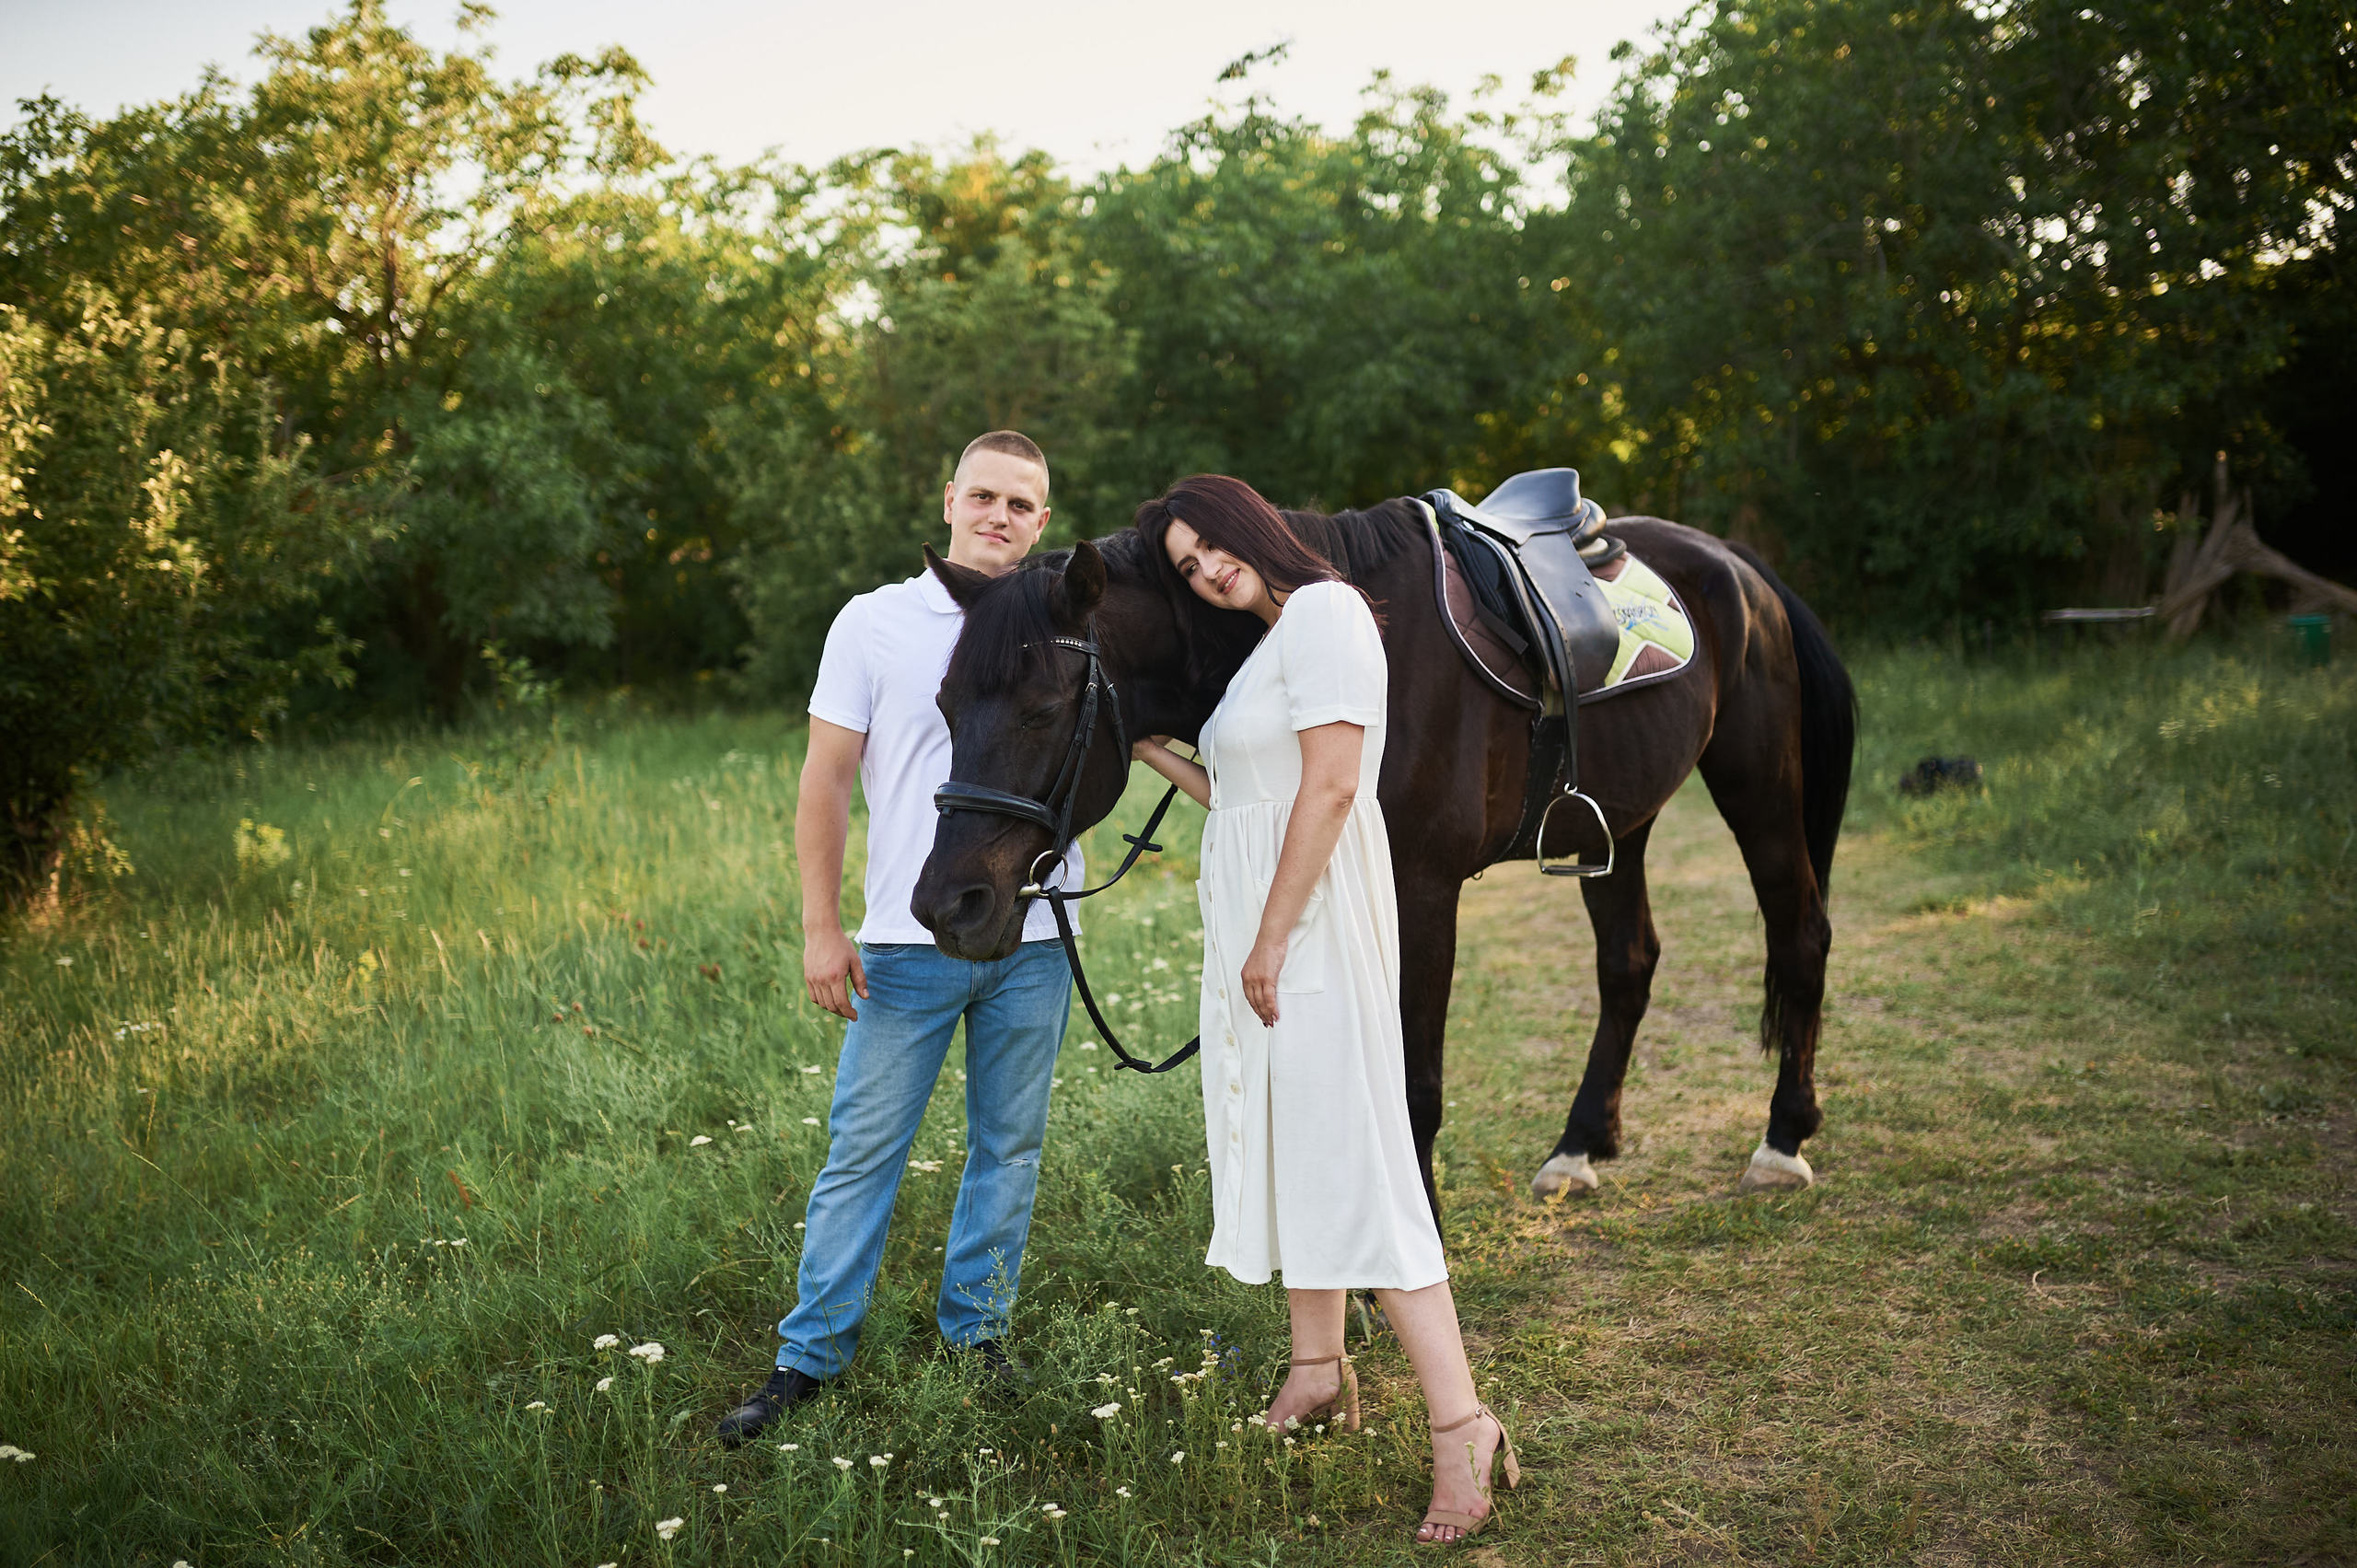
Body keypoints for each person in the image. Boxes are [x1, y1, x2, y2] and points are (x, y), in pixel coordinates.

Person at [1129, 475, 1521, 1544]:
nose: (1206, 567)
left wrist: (1271, 932)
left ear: (1255, 525)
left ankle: (1463, 1424)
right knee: (1295, 1146)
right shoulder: (1267, 643)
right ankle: (1316, 1367)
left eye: (1211, 542)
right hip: (1266, 923)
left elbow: (1335, 787)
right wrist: (1157, 751)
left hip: (1305, 928)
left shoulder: (1328, 612)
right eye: (1185, 563)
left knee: (1354, 1158)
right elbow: (1255, 792)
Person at [715, 431, 1079, 1446]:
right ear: (950, 496)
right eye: (986, 496)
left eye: (1022, 504)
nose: (1000, 515)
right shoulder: (876, 622)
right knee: (864, 1148)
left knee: (1008, 1146)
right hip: (906, 940)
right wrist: (821, 925)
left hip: (1038, 936)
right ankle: (809, 1355)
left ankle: (979, 1333)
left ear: (1042, 522)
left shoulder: (1067, 620)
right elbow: (824, 779)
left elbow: (1130, 739)